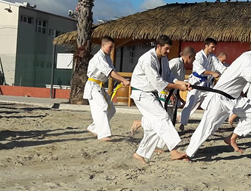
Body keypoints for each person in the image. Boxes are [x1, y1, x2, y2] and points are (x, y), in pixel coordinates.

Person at [185, 42, 251, 159]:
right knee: (207, 127)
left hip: (234, 99)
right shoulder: (247, 60)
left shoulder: (249, 59)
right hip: (220, 98)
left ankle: (231, 138)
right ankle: (188, 153)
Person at [130, 35, 192, 165]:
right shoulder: (148, 59)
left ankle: (140, 153)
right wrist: (178, 87)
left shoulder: (163, 58)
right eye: (167, 49)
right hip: (142, 93)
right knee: (163, 117)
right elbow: (158, 83)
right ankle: (173, 150)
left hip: (151, 94)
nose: (168, 52)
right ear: (158, 46)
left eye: (169, 49)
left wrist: (182, 83)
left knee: (155, 125)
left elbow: (169, 76)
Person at [84, 36, 130, 141]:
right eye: (110, 47)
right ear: (103, 45)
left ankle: (94, 128)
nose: (111, 49)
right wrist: (123, 80)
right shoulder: (98, 57)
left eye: (112, 47)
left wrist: (123, 80)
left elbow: (113, 72)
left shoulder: (107, 57)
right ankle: (103, 134)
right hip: (93, 86)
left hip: (100, 86)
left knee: (111, 109)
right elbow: (109, 72)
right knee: (102, 107)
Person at [179, 38, 227, 132]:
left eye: (214, 47)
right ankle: (182, 123)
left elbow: (220, 67)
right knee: (190, 104)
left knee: (213, 102)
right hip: (196, 84)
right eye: (212, 47)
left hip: (207, 86)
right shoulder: (198, 56)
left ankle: (211, 124)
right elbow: (200, 70)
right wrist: (212, 73)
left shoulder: (212, 57)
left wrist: (227, 72)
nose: (213, 49)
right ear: (206, 46)